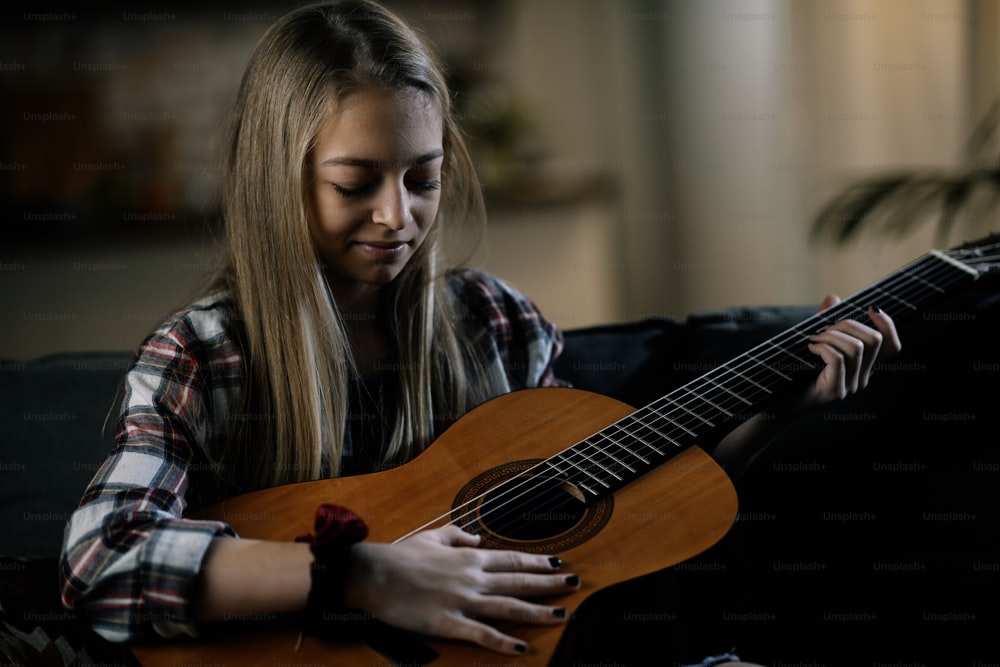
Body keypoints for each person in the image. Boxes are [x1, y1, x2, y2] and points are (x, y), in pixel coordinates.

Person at [58, 0, 900, 662]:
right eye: (356, 183)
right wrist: (364, 574)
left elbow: (613, 515)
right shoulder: (204, 354)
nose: (398, 216)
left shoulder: (497, 321)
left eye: (423, 178)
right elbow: (101, 558)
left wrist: (775, 409)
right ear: (278, 180)